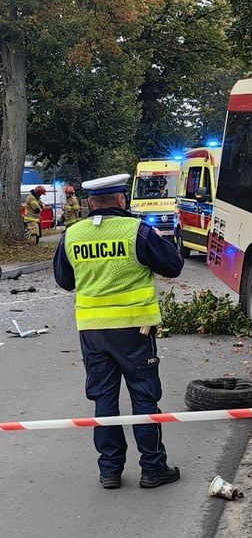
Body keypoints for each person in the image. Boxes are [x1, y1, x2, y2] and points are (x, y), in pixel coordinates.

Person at [53, 173, 184, 490]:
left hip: (93, 332)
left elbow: (65, 280)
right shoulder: (137, 231)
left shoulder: (72, 235)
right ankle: (153, 468)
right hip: (135, 330)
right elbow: (173, 266)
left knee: (103, 399)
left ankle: (110, 471)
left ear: (89, 203)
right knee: (144, 396)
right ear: (121, 199)